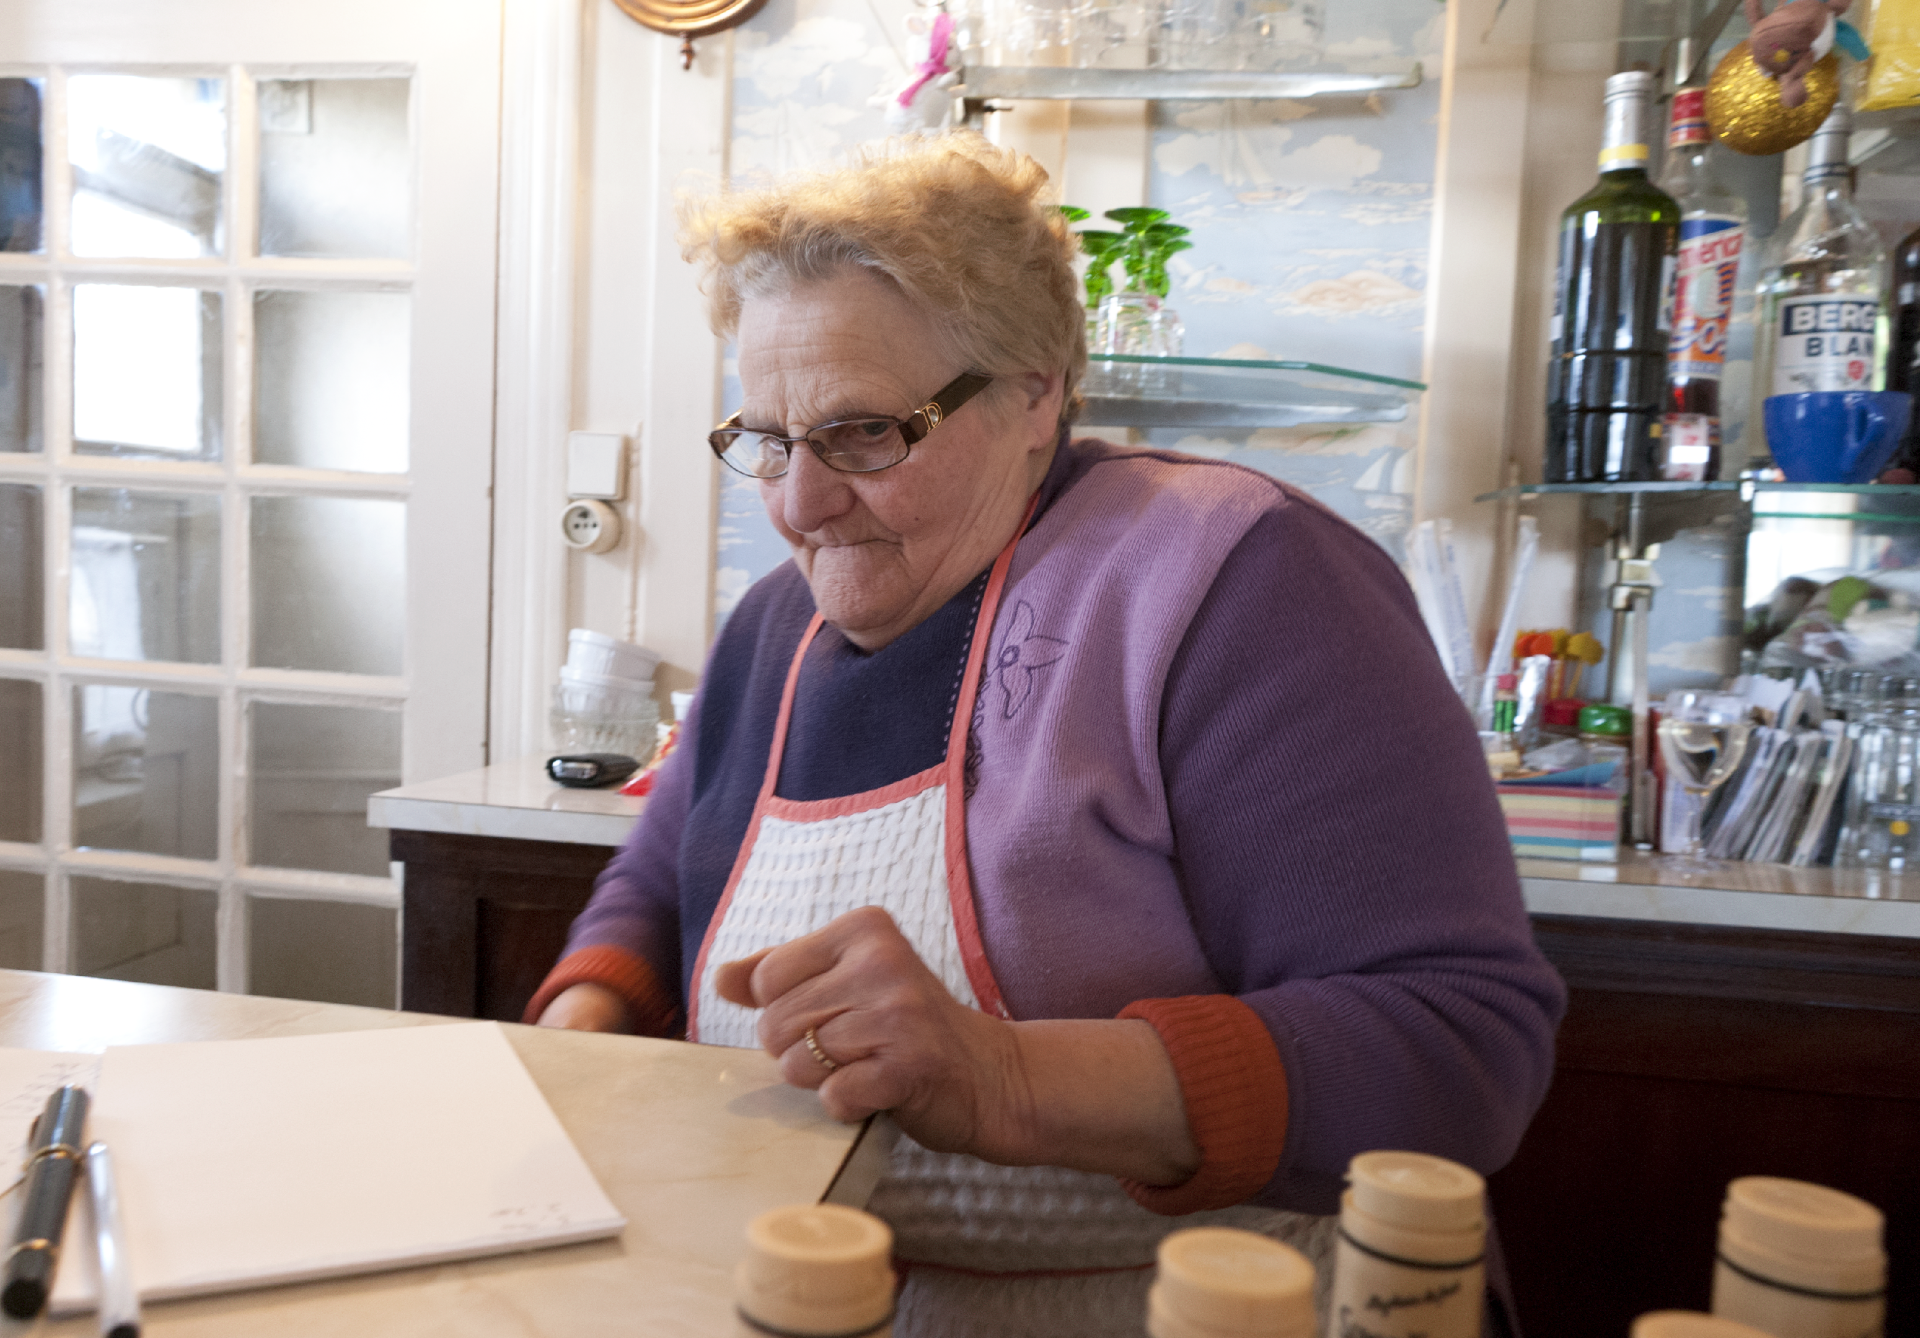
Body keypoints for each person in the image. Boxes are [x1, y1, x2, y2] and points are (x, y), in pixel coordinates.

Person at [528, 134, 1565, 1337]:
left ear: (1033, 395)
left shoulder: (1235, 581)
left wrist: (1003, 1076)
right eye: (767, 439)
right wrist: (586, 1028)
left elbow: (1459, 1049)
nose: (799, 506)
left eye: (864, 434)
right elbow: (660, 874)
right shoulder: (774, 627)